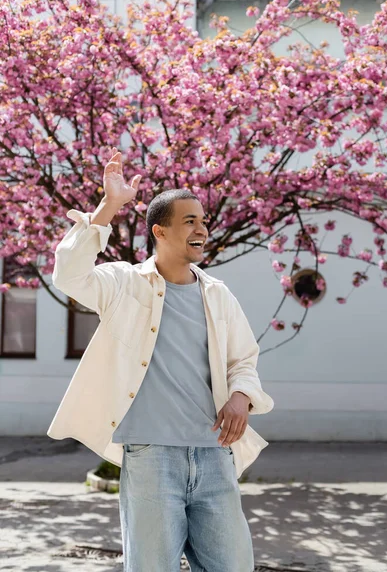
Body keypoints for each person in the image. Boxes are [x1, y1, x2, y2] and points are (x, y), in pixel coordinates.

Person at [48, 146, 274, 571]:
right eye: (190, 220)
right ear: (160, 231)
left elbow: (244, 359)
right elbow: (69, 274)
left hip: (214, 455)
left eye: (203, 220)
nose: (202, 228)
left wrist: (242, 396)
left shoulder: (218, 294)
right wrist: (108, 206)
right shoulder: (123, 284)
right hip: (151, 456)